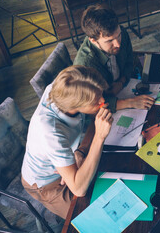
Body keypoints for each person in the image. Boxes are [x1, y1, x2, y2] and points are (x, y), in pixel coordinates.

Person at [21, 65, 113, 219]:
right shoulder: (50, 132)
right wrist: (99, 137)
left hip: (68, 156)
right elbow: (78, 189)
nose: (103, 101)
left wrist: (81, 150)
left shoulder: (64, 89)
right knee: (95, 218)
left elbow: (92, 117)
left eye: (101, 95)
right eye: (96, 101)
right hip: (47, 183)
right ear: (75, 105)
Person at [74, 4, 154, 112]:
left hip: (125, 86)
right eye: (109, 41)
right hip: (109, 106)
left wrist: (121, 82)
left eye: (118, 36)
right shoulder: (84, 64)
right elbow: (89, 105)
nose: (117, 44)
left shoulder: (122, 32)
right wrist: (130, 102)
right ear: (93, 40)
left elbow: (130, 61)